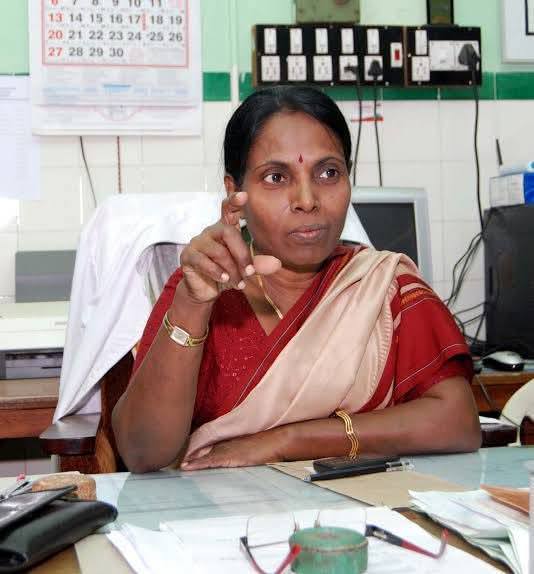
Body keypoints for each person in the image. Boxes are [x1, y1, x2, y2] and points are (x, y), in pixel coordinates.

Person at [112, 86, 481, 473]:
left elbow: (457, 422)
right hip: (225, 507)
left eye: (328, 173)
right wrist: (192, 306)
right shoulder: (202, 289)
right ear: (235, 192)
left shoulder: (382, 288)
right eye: (276, 177)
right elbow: (142, 452)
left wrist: (288, 441)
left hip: (365, 507)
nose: (307, 199)